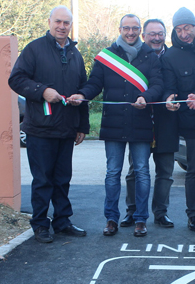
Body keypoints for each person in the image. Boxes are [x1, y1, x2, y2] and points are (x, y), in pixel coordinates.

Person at [67, 14, 163, 238]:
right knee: (112, 173)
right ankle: (111, 219)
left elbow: (158, 84)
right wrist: (82, 95)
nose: (131, 32)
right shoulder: (106, 56)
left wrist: (145, 97)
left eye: (135, 29)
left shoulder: (151, 56)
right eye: (126, 28)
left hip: (141, 122)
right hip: (113, 123)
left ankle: (140, 219)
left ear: (140, 30)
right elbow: (95, 84)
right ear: (119, 29)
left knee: (142, 172)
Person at [8, 6, 89, 244]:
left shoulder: (75, 54)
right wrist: (42, 91)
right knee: (43, 180)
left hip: (66, 129)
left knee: (63, 179)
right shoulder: (34, 49)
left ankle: (62, 221)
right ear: (49, 22)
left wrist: (82, 125)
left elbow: (82, 91)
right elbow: (16, 79)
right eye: (58, 22)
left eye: (67, 23)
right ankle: (41, 224)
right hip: (40, 129)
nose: (62, 26)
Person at [120, 19, 178, 229]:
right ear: (144, 36)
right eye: (151, 34)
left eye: (160, 33)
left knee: (165, 172)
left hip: (167, 122)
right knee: (135, 170)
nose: (156, 37)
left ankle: (161, 213)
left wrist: (175, 98)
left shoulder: (173, 57)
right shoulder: (135, 57)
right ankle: (132, 211)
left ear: (165, 35)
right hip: (139, 122)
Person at [161, 7, 195, 232]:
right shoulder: (170, 56)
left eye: (188, 28)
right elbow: (170, 87)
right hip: (193, 121)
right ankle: (194, 216)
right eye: (179, 29)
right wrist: (169, 99)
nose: (184, 34)